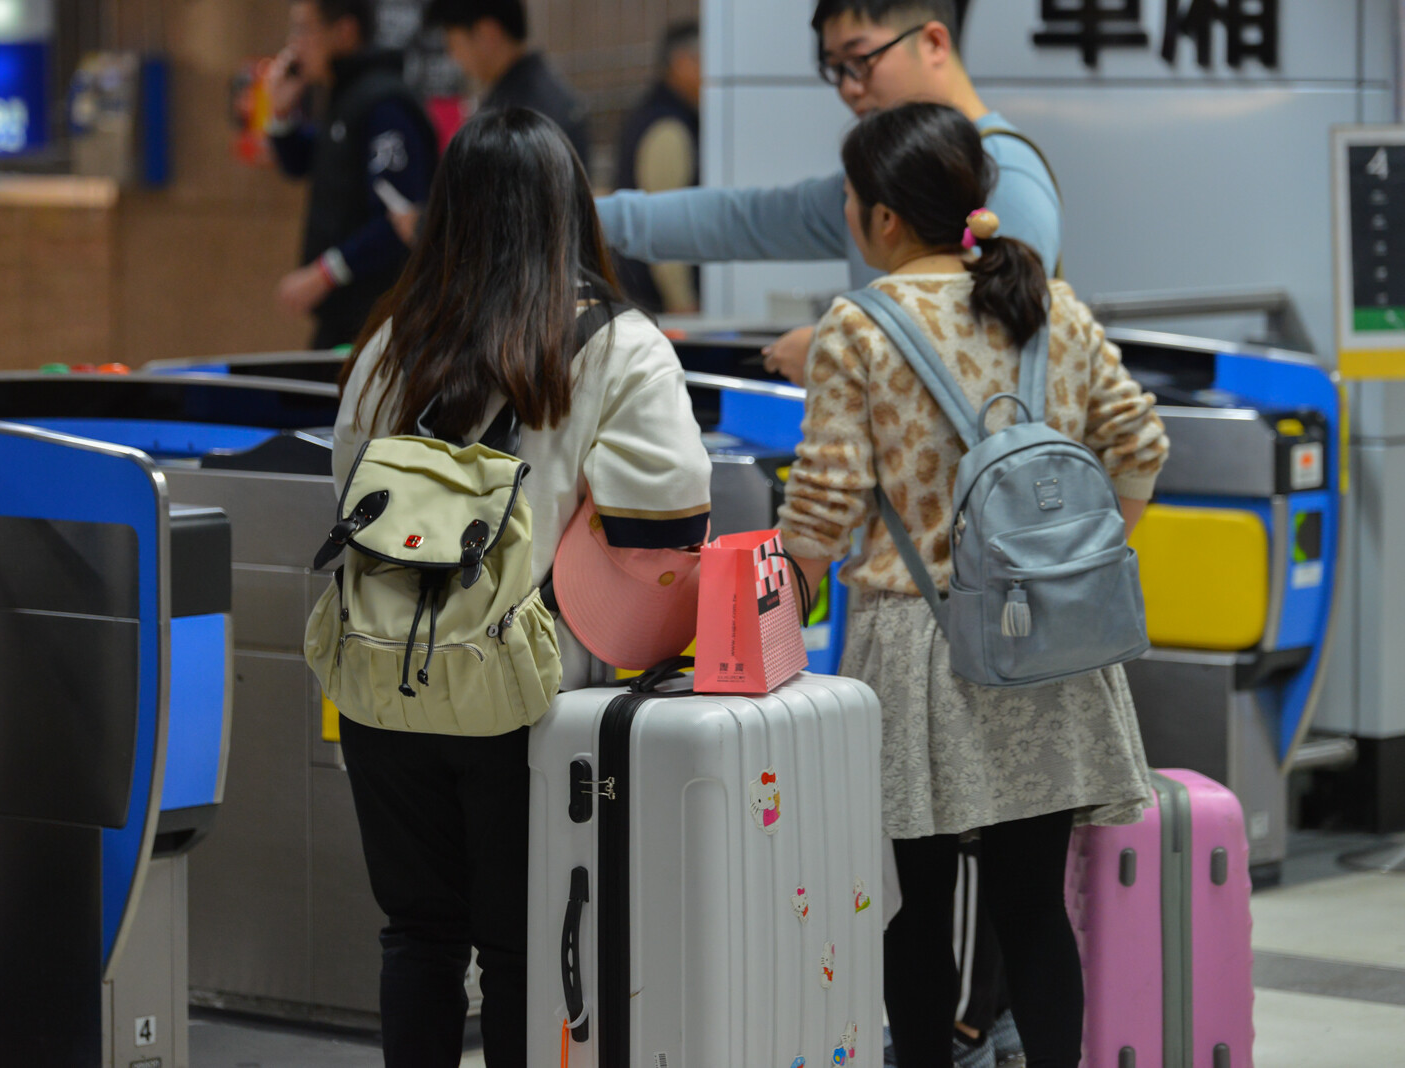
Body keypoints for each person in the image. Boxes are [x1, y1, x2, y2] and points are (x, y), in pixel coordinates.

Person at [778, 103, 1168, 1068]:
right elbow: (1141, 445)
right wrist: (1072, 560)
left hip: (917, 650)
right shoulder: (1051, 306)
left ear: (879, 218)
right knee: (1034, 908)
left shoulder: (859, 326)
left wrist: (784, 613)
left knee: (912, 911)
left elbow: (822, 505)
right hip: (1047, 642)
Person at [331, 107, 710, 1068]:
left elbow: (349, 495)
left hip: (380, 681)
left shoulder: (388, 340)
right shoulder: (615, 345)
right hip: (523, 695)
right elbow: (665, 523)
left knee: (416, 935)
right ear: (568, 209)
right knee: (519, 946)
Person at [594, 0, 1059, 385]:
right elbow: (742, 219)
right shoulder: (885, 177)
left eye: (862, 60)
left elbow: (992, 348)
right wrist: (575, 212)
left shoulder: (1003, 172)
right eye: (836, 69)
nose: (850, 89)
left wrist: (833, 349)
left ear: (934, 42)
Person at [265, 0, 437, 348]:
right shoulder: (344, 96)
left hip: (382, 320)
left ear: (344, 31)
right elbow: (305, 161)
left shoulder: (384, 104)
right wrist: (281, 114)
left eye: (304, 29)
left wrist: (323, 274)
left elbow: (399, 219)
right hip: (342, 319)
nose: (294, 43)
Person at [423, 0, 591, 168]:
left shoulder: (516, 118)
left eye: (454, 44)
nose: (454, 57)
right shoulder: (547, 96)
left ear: (488, 33)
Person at [613, 20, 702, 314]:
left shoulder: (652, 112)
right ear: (682, 62)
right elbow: (663, 222)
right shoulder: (668, 126)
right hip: (657, 304)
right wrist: (681, 299)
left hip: (640, 294)